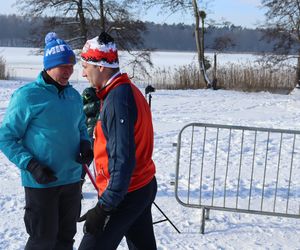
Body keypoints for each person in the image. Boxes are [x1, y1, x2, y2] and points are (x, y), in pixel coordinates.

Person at [0, 32, 93, 250]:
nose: (69, 71)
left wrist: (85, 144)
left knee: (65, 240)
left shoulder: (73, 96)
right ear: (49, 66)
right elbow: (6, 137)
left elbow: (80, 127)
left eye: (71, 66)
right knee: (42, 241)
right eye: (63, 66)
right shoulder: (27, 96)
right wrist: (32, 165)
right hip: (42, 182)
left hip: (71, 181)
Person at [78, 32, 157, 250]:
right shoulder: (126, 90)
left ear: (100, 66)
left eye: (85, 66)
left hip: (126, 193)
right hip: (141, 185)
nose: (83, 74)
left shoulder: (117, 100)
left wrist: (104, 208)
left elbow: (122, 159)